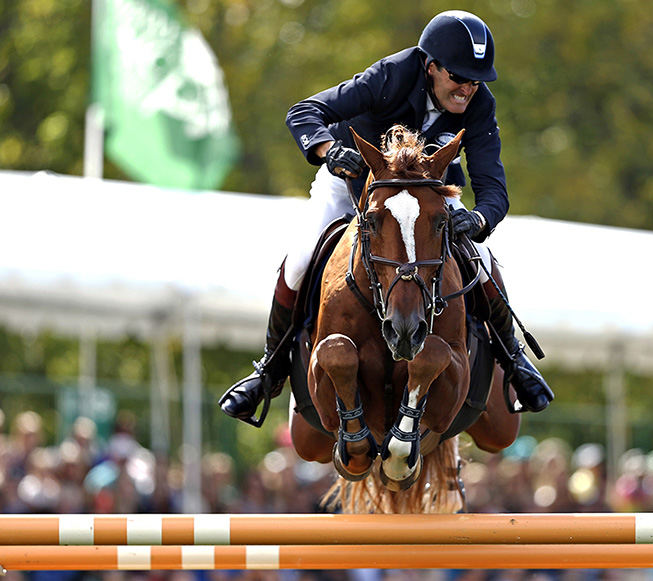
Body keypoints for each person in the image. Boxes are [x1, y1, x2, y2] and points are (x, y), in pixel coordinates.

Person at [219, 10, 554, 426]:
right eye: (459, 77)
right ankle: (268, 369)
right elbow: (305, 112)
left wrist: (478, 221)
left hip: (428, 196)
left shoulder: (479, 103)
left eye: (475, 79)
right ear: (431, 67)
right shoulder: (392, 76)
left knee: (483, 261)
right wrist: (328, 151)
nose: (468, 87)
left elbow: (493, 188)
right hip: (355, 184)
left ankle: (515, 360)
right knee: (302, 256)